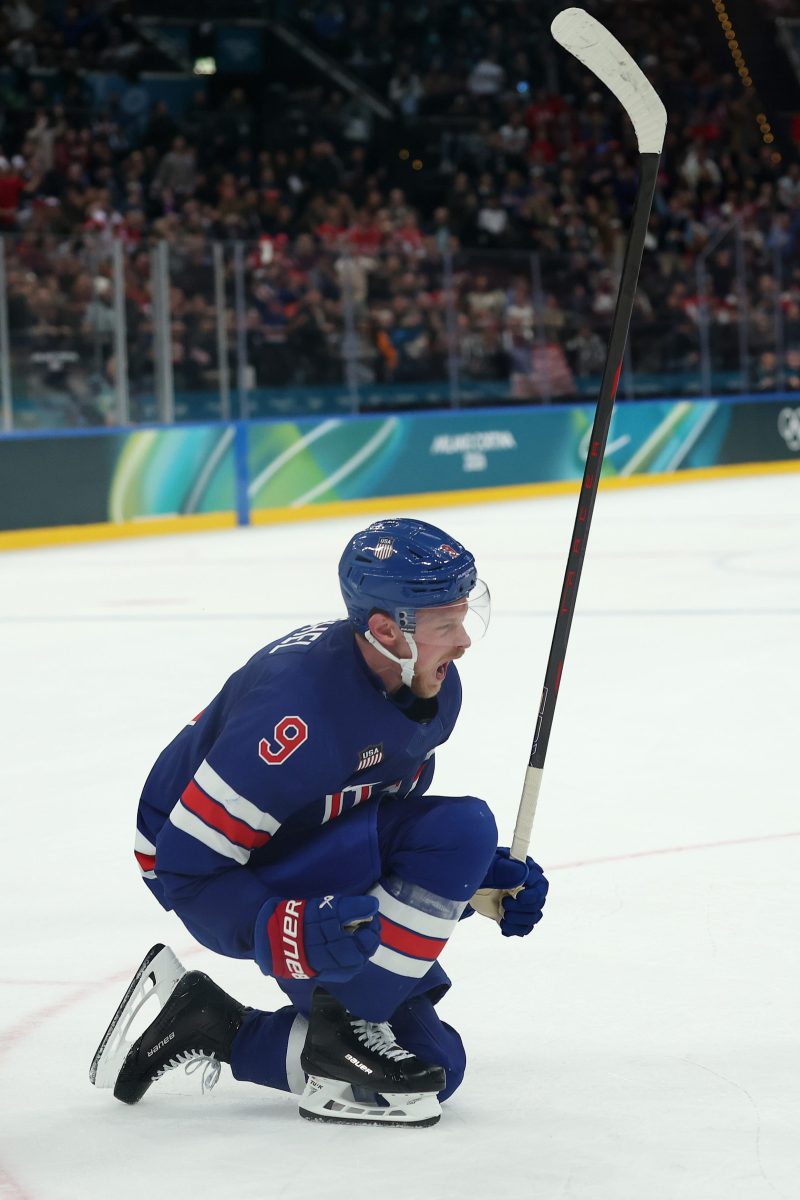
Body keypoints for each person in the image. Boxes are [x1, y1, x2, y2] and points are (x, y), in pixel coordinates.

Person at [90, 518, 548, 1127]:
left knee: (437, 1065)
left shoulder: (427, 688)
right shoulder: (298, 719)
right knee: (460, 833)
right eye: (446, 625)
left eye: (465, 617)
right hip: (201, 855)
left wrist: (472, 883)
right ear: (385, 630)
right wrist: (277, 926)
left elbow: (371, 813)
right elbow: (187, 869)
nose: (463, 642)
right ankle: (344, 1028)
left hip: (296, 834)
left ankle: (210, 1021)